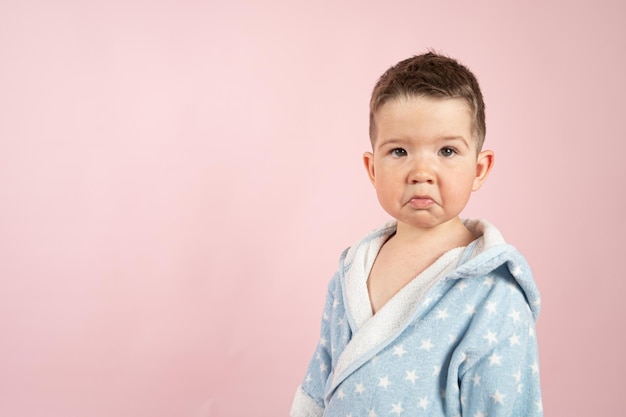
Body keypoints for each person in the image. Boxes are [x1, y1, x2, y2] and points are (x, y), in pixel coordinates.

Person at [290, 51, 543, 417]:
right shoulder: (350, 272)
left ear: (480, 168)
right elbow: (318, 384)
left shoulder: (494, 295)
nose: (421, 171)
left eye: (446, 150)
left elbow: (504, 407)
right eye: (399, 151)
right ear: (372, 167)